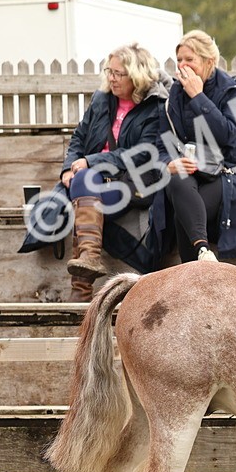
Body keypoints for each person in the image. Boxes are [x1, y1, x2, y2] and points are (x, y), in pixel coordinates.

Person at [60, 42, 170, 301]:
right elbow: (79, 137)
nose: (111, 78)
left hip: (131, 182)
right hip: (90, 179)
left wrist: (91, 161)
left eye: (118, 73)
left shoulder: (154, 106)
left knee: (84, 198)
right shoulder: (101, 99)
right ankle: (88, 259)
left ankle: (81, 288)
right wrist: (68, 168)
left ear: (136, 76)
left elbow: (142, 152)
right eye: (109, 71)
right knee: (83, 184)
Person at [158, 30, 236, 263]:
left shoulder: (233, 90)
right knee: (177, 180)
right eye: (179, 60)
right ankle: (204, 253)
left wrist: (198, 97)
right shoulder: (175, 93)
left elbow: (229, 135)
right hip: (193, 172)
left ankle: (194, 270)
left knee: (185, 214)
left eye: (189, 59)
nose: (182, 66)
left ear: (209, 61)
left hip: (229, 173)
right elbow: (162, 143)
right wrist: (168, 163)